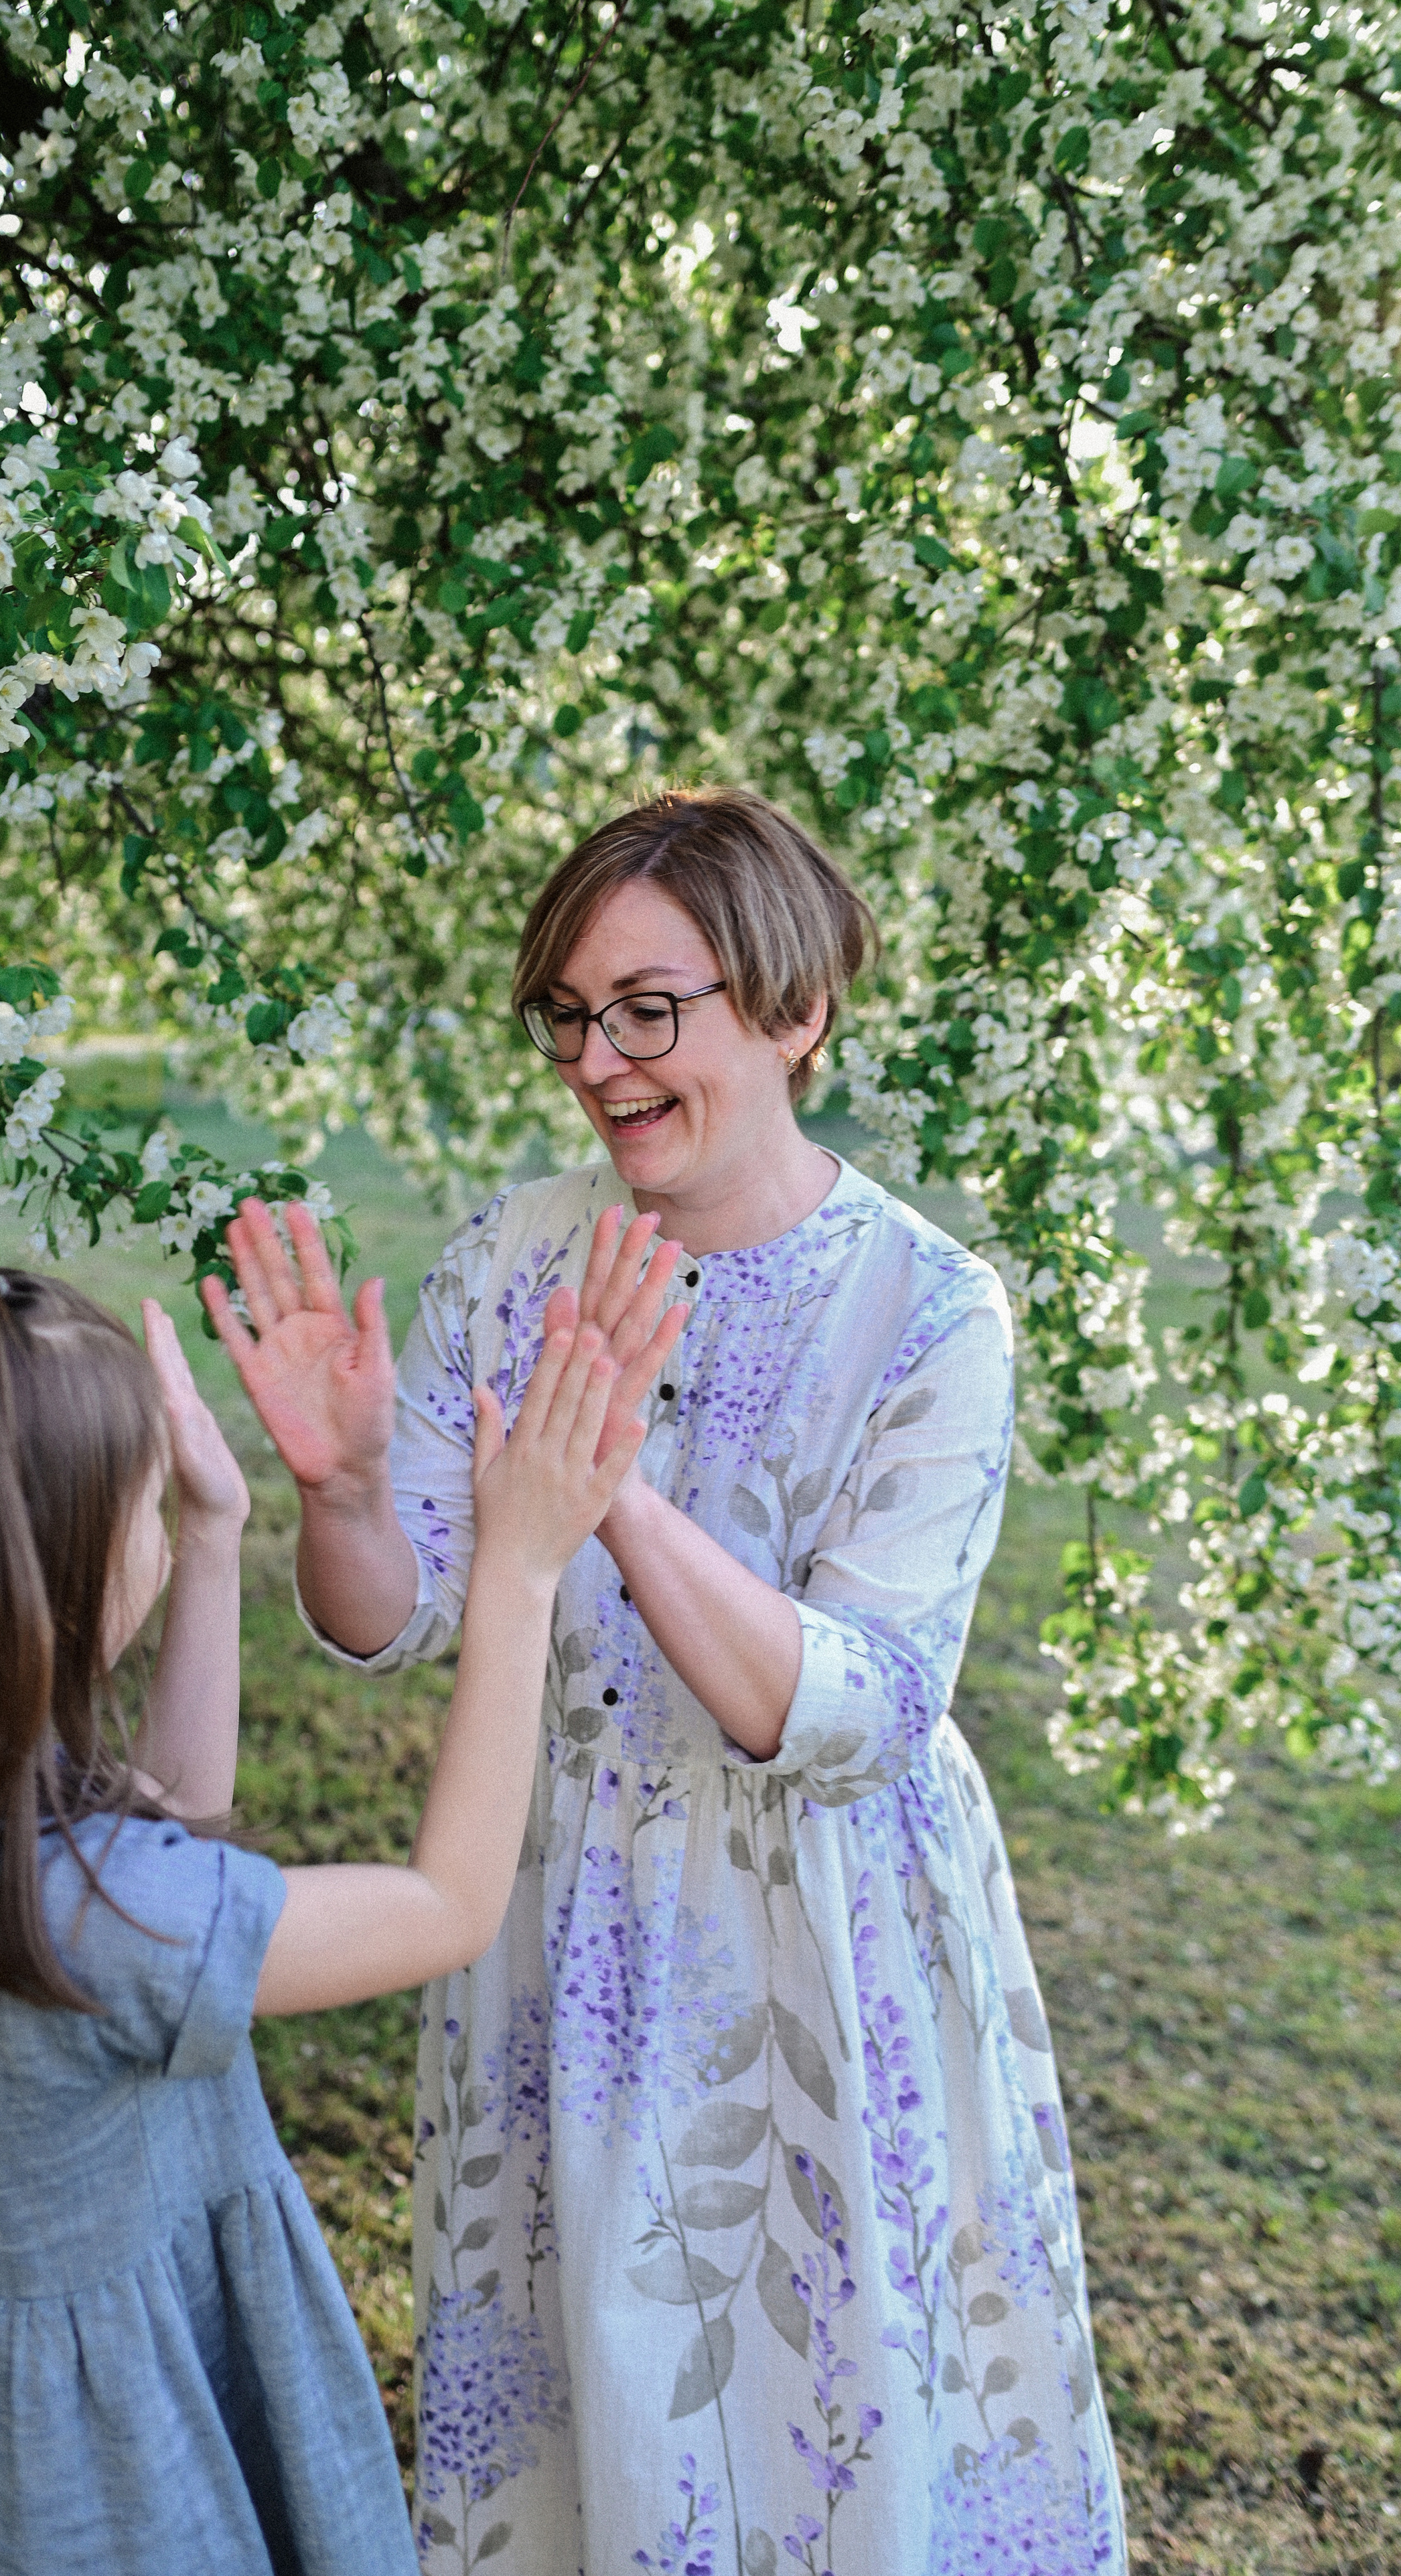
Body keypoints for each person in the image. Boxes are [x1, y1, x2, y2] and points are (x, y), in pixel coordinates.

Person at [212, 787, 1128, 2576]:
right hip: (559, 1923)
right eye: (568, 1013)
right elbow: (389, 1617)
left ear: (793, 1012)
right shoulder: (511, 1256)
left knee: (827, 2430)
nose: (597, 1060)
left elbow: (854, 1711)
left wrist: (605, 1483)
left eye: (650, 1009)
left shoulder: (929, 1314)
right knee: (597, 2432)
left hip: (826, 1960)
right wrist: (334, 1491)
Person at [0, 1258, 658, 2575]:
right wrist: (523, 1570)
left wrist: (210, 1539)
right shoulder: (97, 1914)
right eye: (143, 1503)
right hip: (92, 2476)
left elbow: (165, 1850)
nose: (161, 1515)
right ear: (26, 1582)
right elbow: (447, 1905)